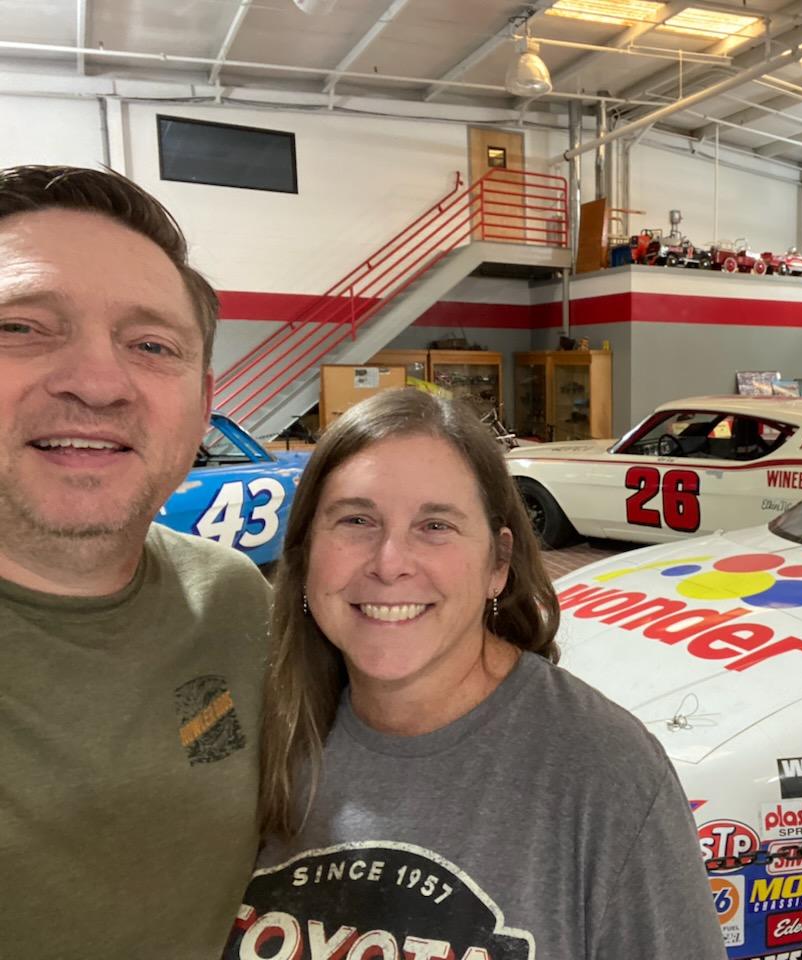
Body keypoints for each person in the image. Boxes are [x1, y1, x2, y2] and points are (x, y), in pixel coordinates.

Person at [227, 388, 726, 959]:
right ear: (306, 551)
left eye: (435, 525)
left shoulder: (604, 775)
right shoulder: (262, 729)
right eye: (356, 519)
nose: (390, 563)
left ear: (499, 564)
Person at [0, 165, 271, 953]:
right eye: (21, 327)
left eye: (151, 345)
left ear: (203, 405)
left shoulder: (232, 597)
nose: (97, 383)